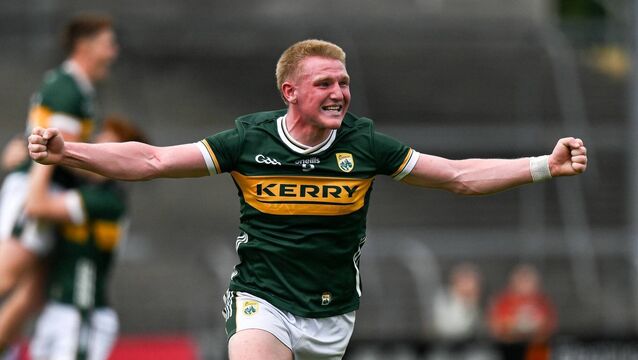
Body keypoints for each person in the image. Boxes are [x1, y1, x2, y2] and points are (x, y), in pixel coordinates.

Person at [27, 39, 587, 360]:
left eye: (343, 82)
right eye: (324, 83)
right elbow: (151, 160)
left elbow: (459, 175)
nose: (339, 92)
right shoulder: (249, 139)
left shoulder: (365, 144)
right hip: (262, 298)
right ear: (289, 92)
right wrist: (67, 152)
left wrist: (543, 165)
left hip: (331, 311)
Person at [0, 13, 118, 357]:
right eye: (108, 43)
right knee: (6, 277)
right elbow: (57, 153)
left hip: (46, 190)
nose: (114, 51)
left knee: (32, 292)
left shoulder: (76, 88)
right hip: (35, 191)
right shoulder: (68, 88)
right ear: (85, 46)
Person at [23, 118, 146, 360]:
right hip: (59, 308)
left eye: (109, 144)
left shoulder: (108, 201)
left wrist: (46, 157)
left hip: (82, 311)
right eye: (101, 137)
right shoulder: (89, 190)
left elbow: (35, 206)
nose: (98, 145)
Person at [488, 264, 557, 360]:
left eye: (528, 281)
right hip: (510, 349)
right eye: (522, 281)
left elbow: (549, 327)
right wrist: (516, 327)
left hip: (536, 348)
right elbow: (497, 327)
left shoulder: (542, 302)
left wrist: (534, 329)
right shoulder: (504, 301)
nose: (525, 285)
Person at [429, 263, 482, 359]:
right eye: (465, 281)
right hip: (445, 347)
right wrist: (464, 304)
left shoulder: (478, 300)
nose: (468, 285)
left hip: (472, 348)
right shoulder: (444, 297)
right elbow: (449, 329)